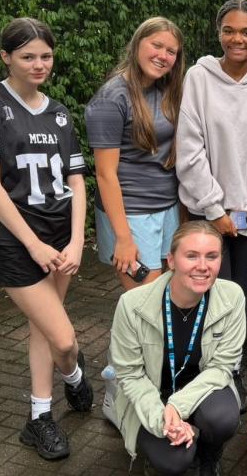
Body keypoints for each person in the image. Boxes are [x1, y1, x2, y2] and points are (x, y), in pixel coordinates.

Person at [0, 17, 93, 460]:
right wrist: (33, 244)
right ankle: (75, 376)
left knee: (43, 327)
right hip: (15, 239)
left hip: (60, 233)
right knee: (63, 339)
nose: (39, 65)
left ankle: (39, 418)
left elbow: (77, 180)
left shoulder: (59, 112)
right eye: (27, 57)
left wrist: (77, 240)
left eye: (46, 56)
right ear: (6, 57)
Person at [176, 0, 247, 326]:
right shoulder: (198, 78)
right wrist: (216, 211)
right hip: (206, 212)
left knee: (238, 293)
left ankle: (231, 366)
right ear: (219, 33)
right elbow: (189, 151)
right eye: (229, 31)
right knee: (207, 289)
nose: (238, 39)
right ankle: (204, 366)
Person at [109, 221, 246, 476]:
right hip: (150, 395)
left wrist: (177, 406)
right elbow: (130, 375)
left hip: (202, 391)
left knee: (222, 419)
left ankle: (209, 455)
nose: (203, 266)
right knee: (175, 461)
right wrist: (163, 417)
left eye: (211, 256)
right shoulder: (132, 305)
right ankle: (168, 446)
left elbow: (222, 367)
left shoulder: (233, 297)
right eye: (191, 256)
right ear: (171, 260)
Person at [86, 17, 185, 291]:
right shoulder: (111, 99)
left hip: (167, 207)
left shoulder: (166, 90)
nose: (163, 56)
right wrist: (123, 238)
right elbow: (105, 175)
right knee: (146, 305)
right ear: (137, 44)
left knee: (165, 297)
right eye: (157, 46)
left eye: (171, 51)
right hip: (132, 213)